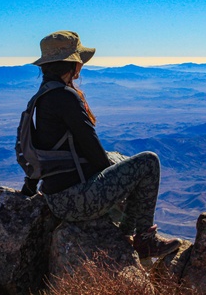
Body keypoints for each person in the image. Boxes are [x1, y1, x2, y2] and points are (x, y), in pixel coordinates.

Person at [20, 30, 181, 259]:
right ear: (73, 64)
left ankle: (127, 233)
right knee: (148, 163)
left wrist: (28, 189)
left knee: (120, 161)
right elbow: (93, 150)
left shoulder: (43, 97)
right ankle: (143, 240)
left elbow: (42, 150)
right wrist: (121, 186)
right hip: (75, 201)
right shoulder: (66, 97)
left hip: (57, 198)